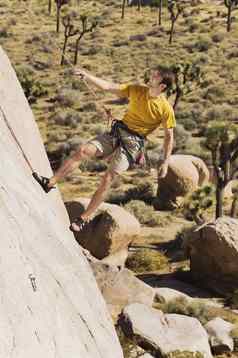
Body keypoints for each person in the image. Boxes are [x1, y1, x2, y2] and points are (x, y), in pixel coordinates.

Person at [33, 66, 176, 232]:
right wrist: (86, 76)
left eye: (156, 75)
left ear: (162, 86)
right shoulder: (137, 90)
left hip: (133, 145)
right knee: (83, 151)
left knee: (108, 178)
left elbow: (169, 136)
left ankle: (83, 219)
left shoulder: (166, 109)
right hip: (117, 133)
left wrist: (165, 162)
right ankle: (50, 182)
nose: (152, 75)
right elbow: (108, 86)